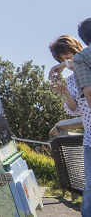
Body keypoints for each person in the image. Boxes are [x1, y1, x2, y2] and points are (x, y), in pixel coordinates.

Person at [49, 34, 91, 217]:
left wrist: (62, 66)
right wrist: (65, 92)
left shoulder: (87, 63)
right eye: (63, 59)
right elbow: (75, 110)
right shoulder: (72, 80)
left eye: (69, 56)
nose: (67, 61)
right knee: (89, 183)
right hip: (90, 134)